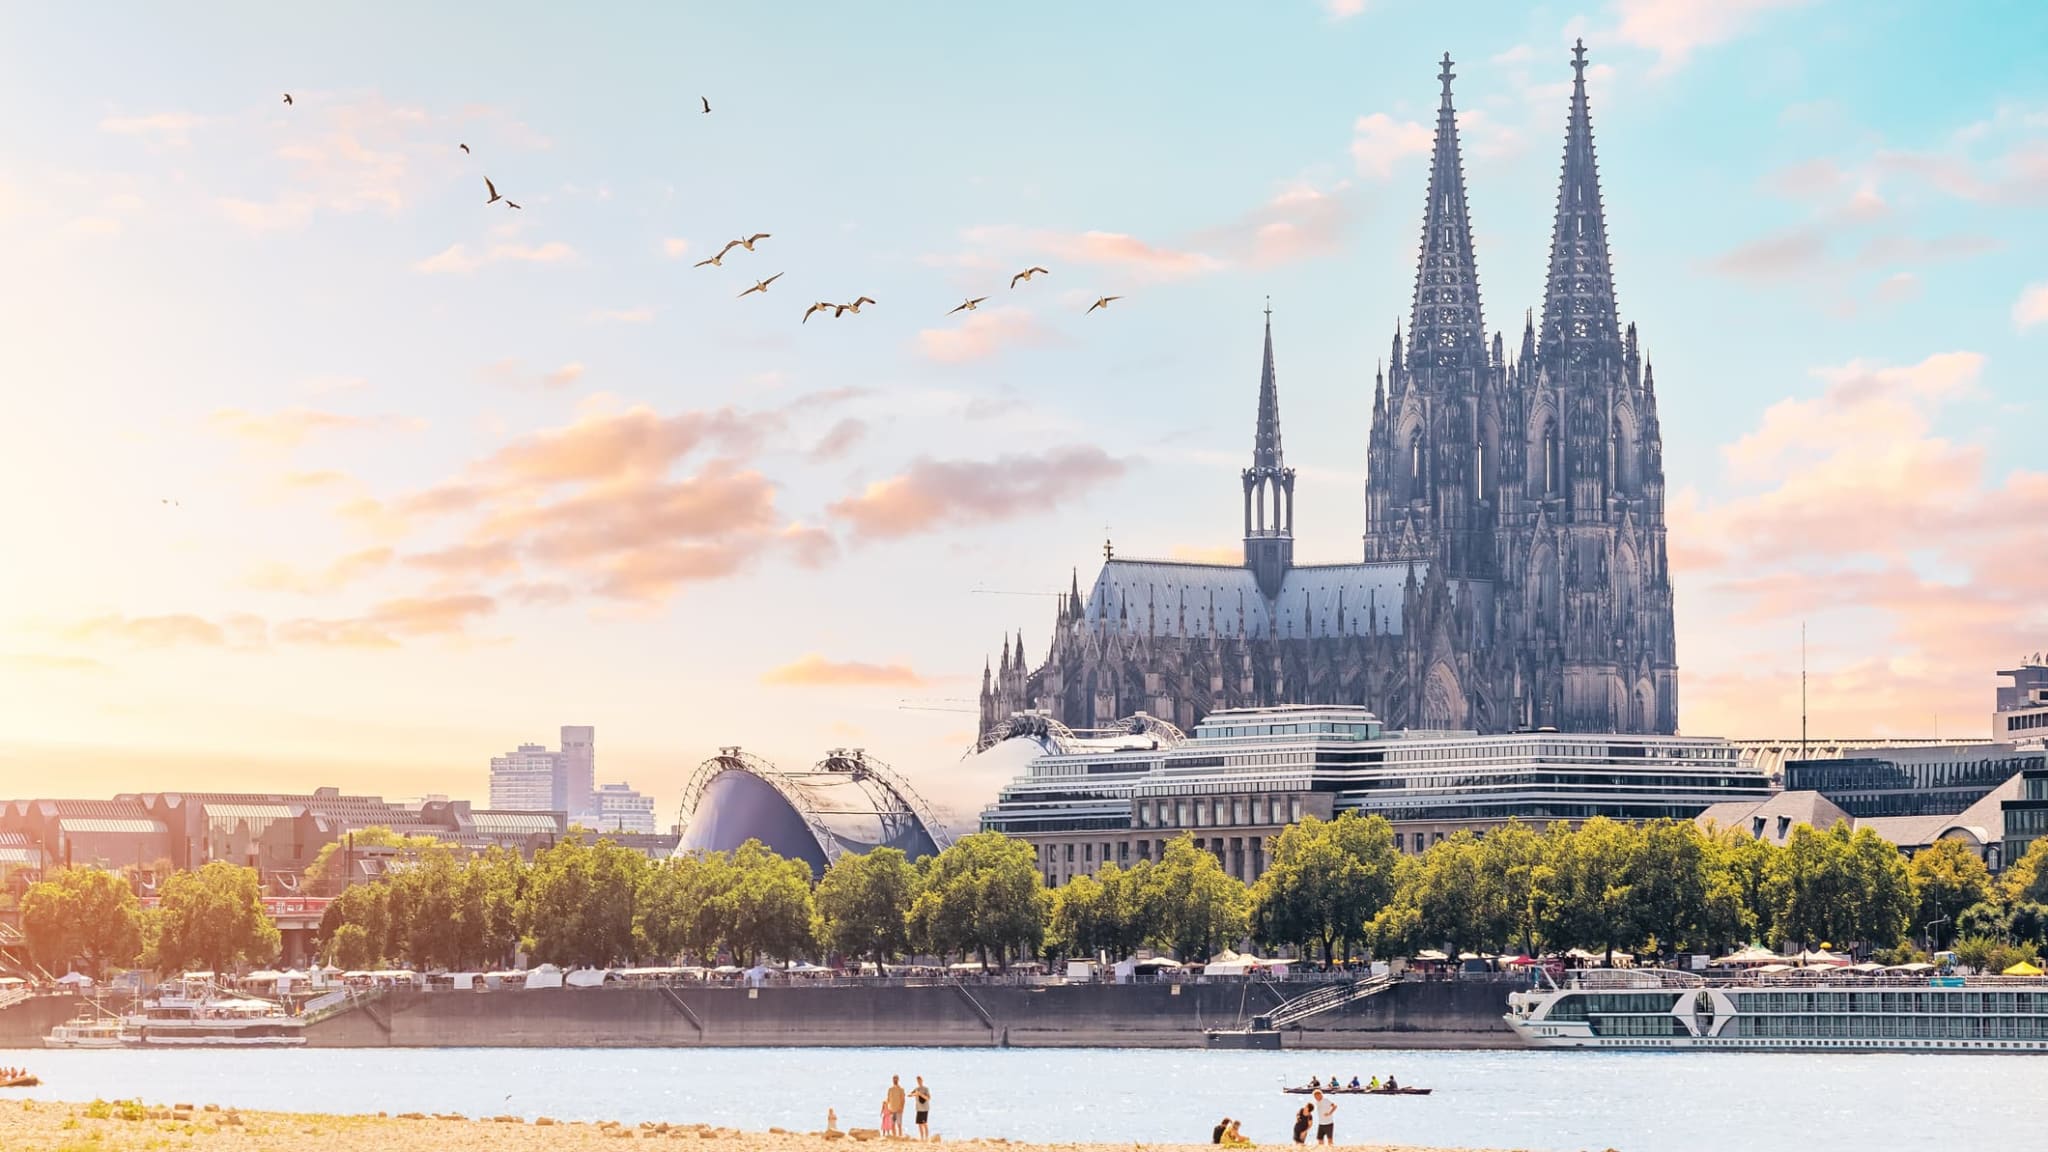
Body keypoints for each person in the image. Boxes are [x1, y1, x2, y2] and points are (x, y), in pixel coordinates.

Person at [911, 1076, 932, 1141]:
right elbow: (910, 1094)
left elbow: (928, 1098)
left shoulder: (926, 1089)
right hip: (918, 1108)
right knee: (919, 1124)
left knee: (924, 1123)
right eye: (918, 1081)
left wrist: (920, 1094)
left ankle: (926, 1138)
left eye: (920, 1080)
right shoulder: (916, 1089)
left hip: (925, 1108)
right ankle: (922, 1138)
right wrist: (914, 1094)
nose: (919, 1082)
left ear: (922, 1081)